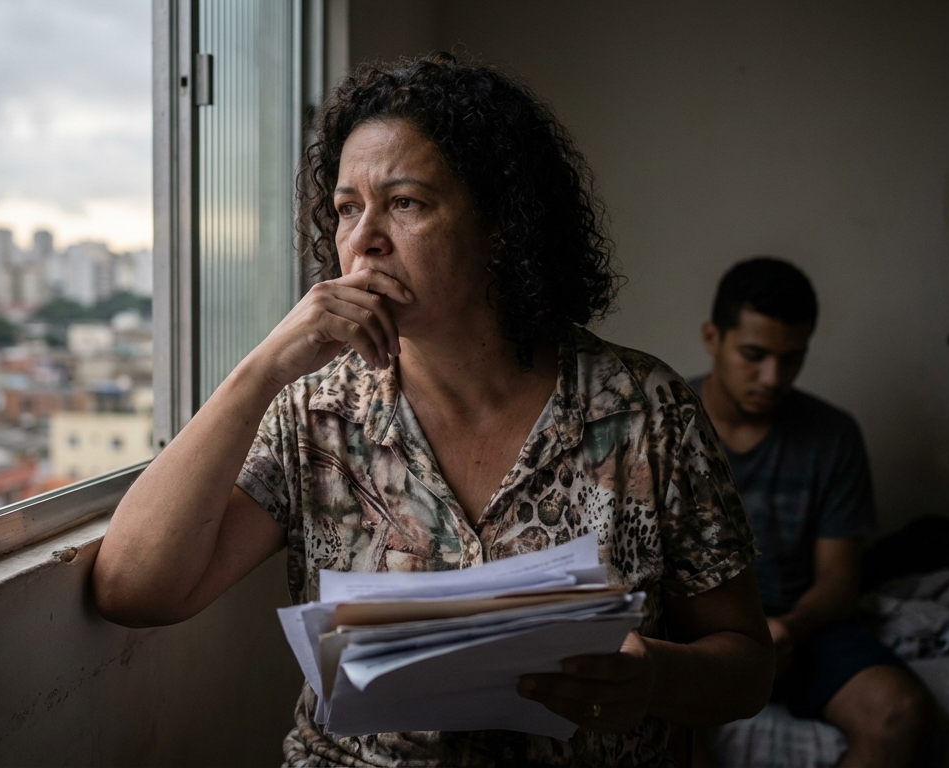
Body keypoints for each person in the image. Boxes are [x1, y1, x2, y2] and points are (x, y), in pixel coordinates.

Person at [92, 53, 773, 766]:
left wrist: (653, 679)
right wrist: (262, 368)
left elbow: (747, 666)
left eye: (406, 203)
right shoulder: (319, 412)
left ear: (502, 223)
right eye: (348, 208)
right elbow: (135, 588)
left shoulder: (645, 412)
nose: (363, 239)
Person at [693, 258, 930, 767]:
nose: (772, 377)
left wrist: (790, 629)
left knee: (899, 712)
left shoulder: (832, 436)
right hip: (695, 631)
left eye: (792, 359)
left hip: (800, 632)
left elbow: (840, 580)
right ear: (713, 337)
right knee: (657, 717)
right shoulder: (665, 421)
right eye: (753, 355)